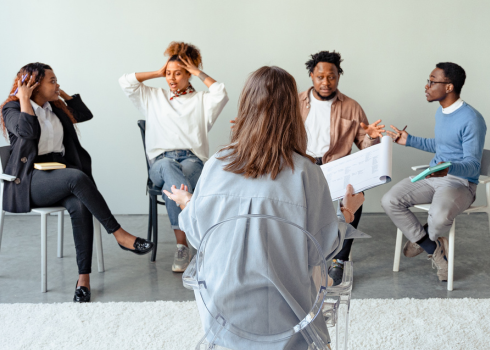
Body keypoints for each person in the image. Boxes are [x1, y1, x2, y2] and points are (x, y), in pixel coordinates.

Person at [164, 66, 364, 349]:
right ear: (292, 113)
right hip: (291, 328)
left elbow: (200, 239)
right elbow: (320, 250)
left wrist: (189, 204)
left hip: (223, 324)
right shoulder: (306, 172)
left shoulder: (216, 165)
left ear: (246, 106)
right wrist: (347, 212)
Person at [0, 63, 153, 303]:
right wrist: (25, 99)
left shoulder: (55, 108)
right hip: (30, 180)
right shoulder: (12, 108)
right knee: (77, 177)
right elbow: (27, 132)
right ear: (34, 85)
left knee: (79, 204)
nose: (57, 84)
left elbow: (84, 115)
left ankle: (84, 279)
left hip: (60, 175)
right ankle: (119, 234)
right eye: (52, 81)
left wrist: (64, 96)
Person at [119, 42, 229, 273]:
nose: (171, 78)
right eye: (168, 74)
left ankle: (182, 247)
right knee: (170, 168)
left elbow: (220, 92)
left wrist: (199, 71)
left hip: (193, 161)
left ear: (189, 74)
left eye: (178, 73)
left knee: (177, 180)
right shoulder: (152, 97)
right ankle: (193, 241)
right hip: (160, 163)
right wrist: (158, 72)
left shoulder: (202, 101)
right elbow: (125, 81)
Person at [382, 62, 486, 282]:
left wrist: (448, 168)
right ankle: (433, 247)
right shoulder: (442, 111)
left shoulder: (472, 120)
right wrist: (409, 140)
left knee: (438, 218)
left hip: (460, 182)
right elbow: (442, 145)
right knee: (390, 200)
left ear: (449, 87)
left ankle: (424, 237)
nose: (426, 86)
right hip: (433, 175)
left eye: (432, 81)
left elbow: (472, 165)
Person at [300, 50, 385, 285]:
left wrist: (373, 137)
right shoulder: (295, 103)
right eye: (320, 77)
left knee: (355, 194)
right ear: (311, 76)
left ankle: (340, 259)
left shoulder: (351, 107)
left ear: (339, 76)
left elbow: (365, 146)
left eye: (332, 77)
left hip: (336, 167)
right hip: (303, 166)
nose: (326, 82)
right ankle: (302, 257)